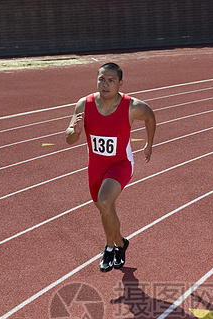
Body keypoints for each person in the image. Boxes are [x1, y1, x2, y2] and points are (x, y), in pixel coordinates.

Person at [65, 62, 156, 272]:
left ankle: (108, 248)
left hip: (121, 164)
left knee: (105, 201)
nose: (105, 84)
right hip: (96, 167)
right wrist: (76, 131)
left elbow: (150, 115)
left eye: (111, 80)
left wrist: (149, 144)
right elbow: (69, 139)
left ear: (120, 83)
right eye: (102, 79)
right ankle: (121, 244)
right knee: (106, 210)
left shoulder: (131, 107)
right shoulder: (84, 105)